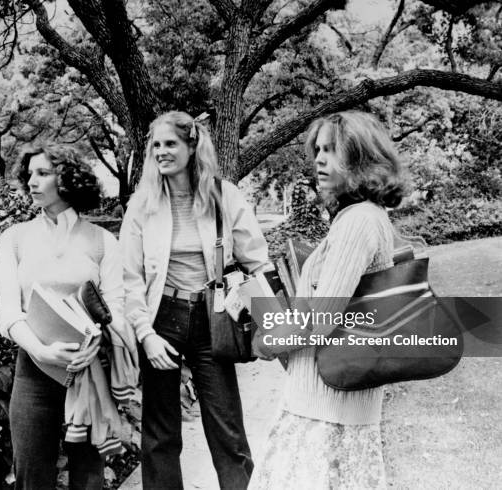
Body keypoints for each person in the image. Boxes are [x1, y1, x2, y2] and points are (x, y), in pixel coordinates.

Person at [249, 111, 407, 489]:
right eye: (317, 149)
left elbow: (320, 320)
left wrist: (265, 338)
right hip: (332, 407)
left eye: (332, 150)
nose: (319, 158)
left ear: (360, 158)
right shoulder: (362, 218)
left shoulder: (357, 222)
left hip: (325, 413)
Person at [120, 111, 271, 490]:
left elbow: (257, 259)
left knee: (226, 428)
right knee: (160, 433)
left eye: (170, 143)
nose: (161, 151)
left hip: (212, 316)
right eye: (155, 144)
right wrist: (145, 334)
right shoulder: (142, 204)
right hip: (161, 319)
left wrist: (275, 320)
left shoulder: (223, 194)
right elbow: (130, 279)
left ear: (192, 146)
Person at [0, 143, 128, 489]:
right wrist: (40, 350)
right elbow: (8, 313)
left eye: (43, 173)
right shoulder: (14, 239)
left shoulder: (102, 242)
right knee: (32, 475)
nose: (32, 181)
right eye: (30, 174)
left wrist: (97, 340)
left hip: (88, 373)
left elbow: (115, 309)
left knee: (88, 478)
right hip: (33, 374)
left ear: (67, 178)